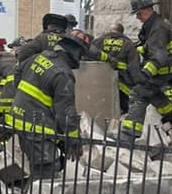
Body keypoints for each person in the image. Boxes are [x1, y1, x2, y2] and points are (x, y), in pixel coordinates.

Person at [10, 29, 91, 178]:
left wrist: (26, 99)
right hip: (36, 129)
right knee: (46, 172)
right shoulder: (63, 74)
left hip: (20, 120)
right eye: (81, 54)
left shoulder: (38, 57)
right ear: (75, 52)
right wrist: (74, 141)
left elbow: (18, 71)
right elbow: (66, 112)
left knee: (37, 169)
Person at [120, 0, 172, 141]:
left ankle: (128, 135)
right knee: (153, 94)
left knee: (139, 93)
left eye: (139, 13)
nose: (137, 17)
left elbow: (158, 57)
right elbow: (150, 46)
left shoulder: (158, 28)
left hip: (164, 69)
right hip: (166, 68)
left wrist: (145, 75)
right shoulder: (154, 24)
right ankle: (170, 116)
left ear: (148, 10)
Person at [89, 23, 139, 114]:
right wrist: (137, 82)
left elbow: (89, 58)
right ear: (122, 32)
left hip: (99, 81)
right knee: (122, 110)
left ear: (109, 31)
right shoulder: (128, 44)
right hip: (122, 83)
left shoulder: (98, 42)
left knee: (101, 107)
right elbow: (134, 66)